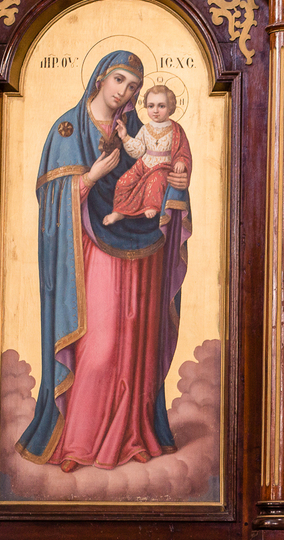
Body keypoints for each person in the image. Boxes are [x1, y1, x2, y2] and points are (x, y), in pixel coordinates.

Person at [16, 51, 192, 472]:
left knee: (133, 341)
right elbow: (51, 204)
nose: (125, 92)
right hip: (89, 251)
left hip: (139, 249)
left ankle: (128, 435)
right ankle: (77, 440)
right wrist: (91, 177)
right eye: (119, 80)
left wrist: (179, 183)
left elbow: (160, 170)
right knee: (100, 343)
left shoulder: (139, 128)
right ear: (99, 78)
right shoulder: (67, 129)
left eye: (133, 86)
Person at [104, 84, 191, 225]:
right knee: (124, 181)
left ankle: (152, 206)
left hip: (163, 167)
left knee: (155, 181)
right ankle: (119, 211)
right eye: (151, 106)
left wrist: (181, 161)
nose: (155, 111)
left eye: (161, 106)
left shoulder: (175, 129)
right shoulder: (146, 128)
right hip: (144, 164)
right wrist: (125, 137)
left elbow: (182, 149)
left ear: (170, 108)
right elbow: (138, 150)